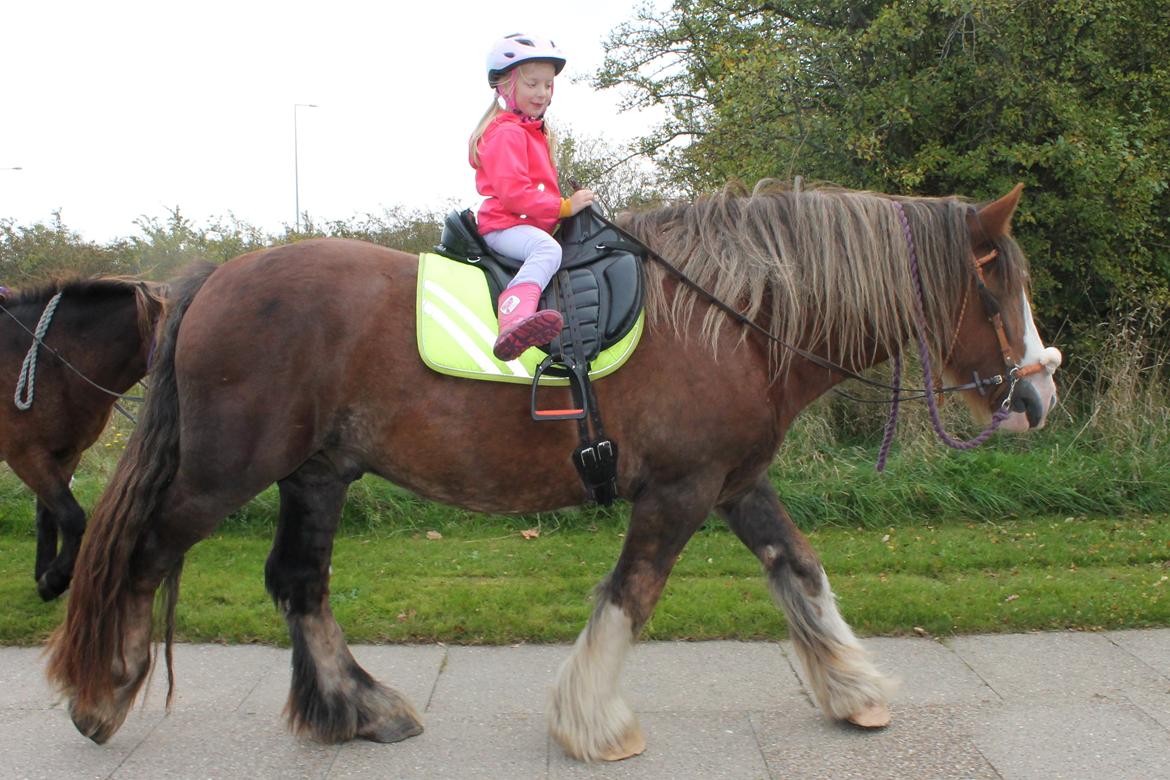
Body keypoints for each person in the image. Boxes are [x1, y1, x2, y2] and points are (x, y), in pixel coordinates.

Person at [469, 33, 595, 361]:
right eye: (532, 84)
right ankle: (514, 315)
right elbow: (515, 196)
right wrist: (564, 207)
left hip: (521, 223)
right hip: (503, 224)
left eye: (548, 85)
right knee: (546, 249)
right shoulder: (507, 133)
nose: (542, 93)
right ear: (505, 86)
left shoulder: (532, 132)